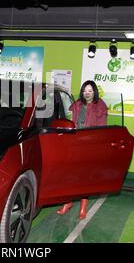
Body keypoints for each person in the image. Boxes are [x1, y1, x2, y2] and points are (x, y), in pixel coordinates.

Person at [56, 80, 108, 216]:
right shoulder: (77, 104)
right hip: (75, 143)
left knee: (84, 177)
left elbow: (101, 129)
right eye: (85, 90)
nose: (87, 93)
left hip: (90, 145)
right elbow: (70, 121)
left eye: (90, 91)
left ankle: (83, 206)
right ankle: (68, 202)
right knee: (70, 174)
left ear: (94, 92)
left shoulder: (100, 106)